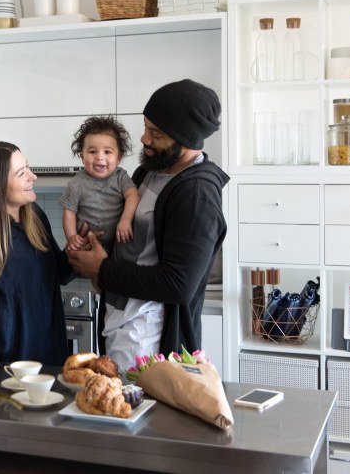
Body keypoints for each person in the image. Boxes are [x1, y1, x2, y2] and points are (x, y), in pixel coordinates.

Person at [67, 79, 229, 369]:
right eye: (146, 127)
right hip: (122, 317)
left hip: (150, 336)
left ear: (186, 139)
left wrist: (102, 269)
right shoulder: (151, 171)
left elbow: (179, 285)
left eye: (156, 134)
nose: (145, 139)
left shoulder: (197, 194)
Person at [0, 141, 74, 365]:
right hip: (6, 373)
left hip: (52, 366)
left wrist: (79, 245)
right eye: (21, 173)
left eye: (28, 167)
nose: (33, 176)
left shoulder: (35, 218)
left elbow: (60, 273)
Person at [60, 115, 140, 254]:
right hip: (86, 244)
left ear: (119, 157)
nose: (99, 157)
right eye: (92, 152)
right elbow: (69, 212)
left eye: (107, 152)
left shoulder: (120, 177)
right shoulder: (76, 183)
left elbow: (133, 196)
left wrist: (125, 221)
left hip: (117, 242)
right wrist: (71, 237)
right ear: (82, 156)